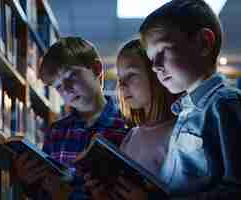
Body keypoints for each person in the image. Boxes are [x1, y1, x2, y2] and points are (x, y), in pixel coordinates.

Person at [109, 0, 241, 199]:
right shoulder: (185, 111)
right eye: (152, 59)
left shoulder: (225, 105)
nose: (155, 67)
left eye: (162, 52)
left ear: (204, 42)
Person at [13, 37, 130, 199]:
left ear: (96, 69)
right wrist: (29, 182)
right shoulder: (56, 133)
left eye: (71, 76)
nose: (66, 89)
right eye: (59, 86)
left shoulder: (127, 127)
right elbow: (44, 192)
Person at [84, 39, 177, 200]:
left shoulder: (182, 134)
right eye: (120, 78)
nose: (121, 85)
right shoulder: (131, 136)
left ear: (157, 73)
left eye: (131, 75)